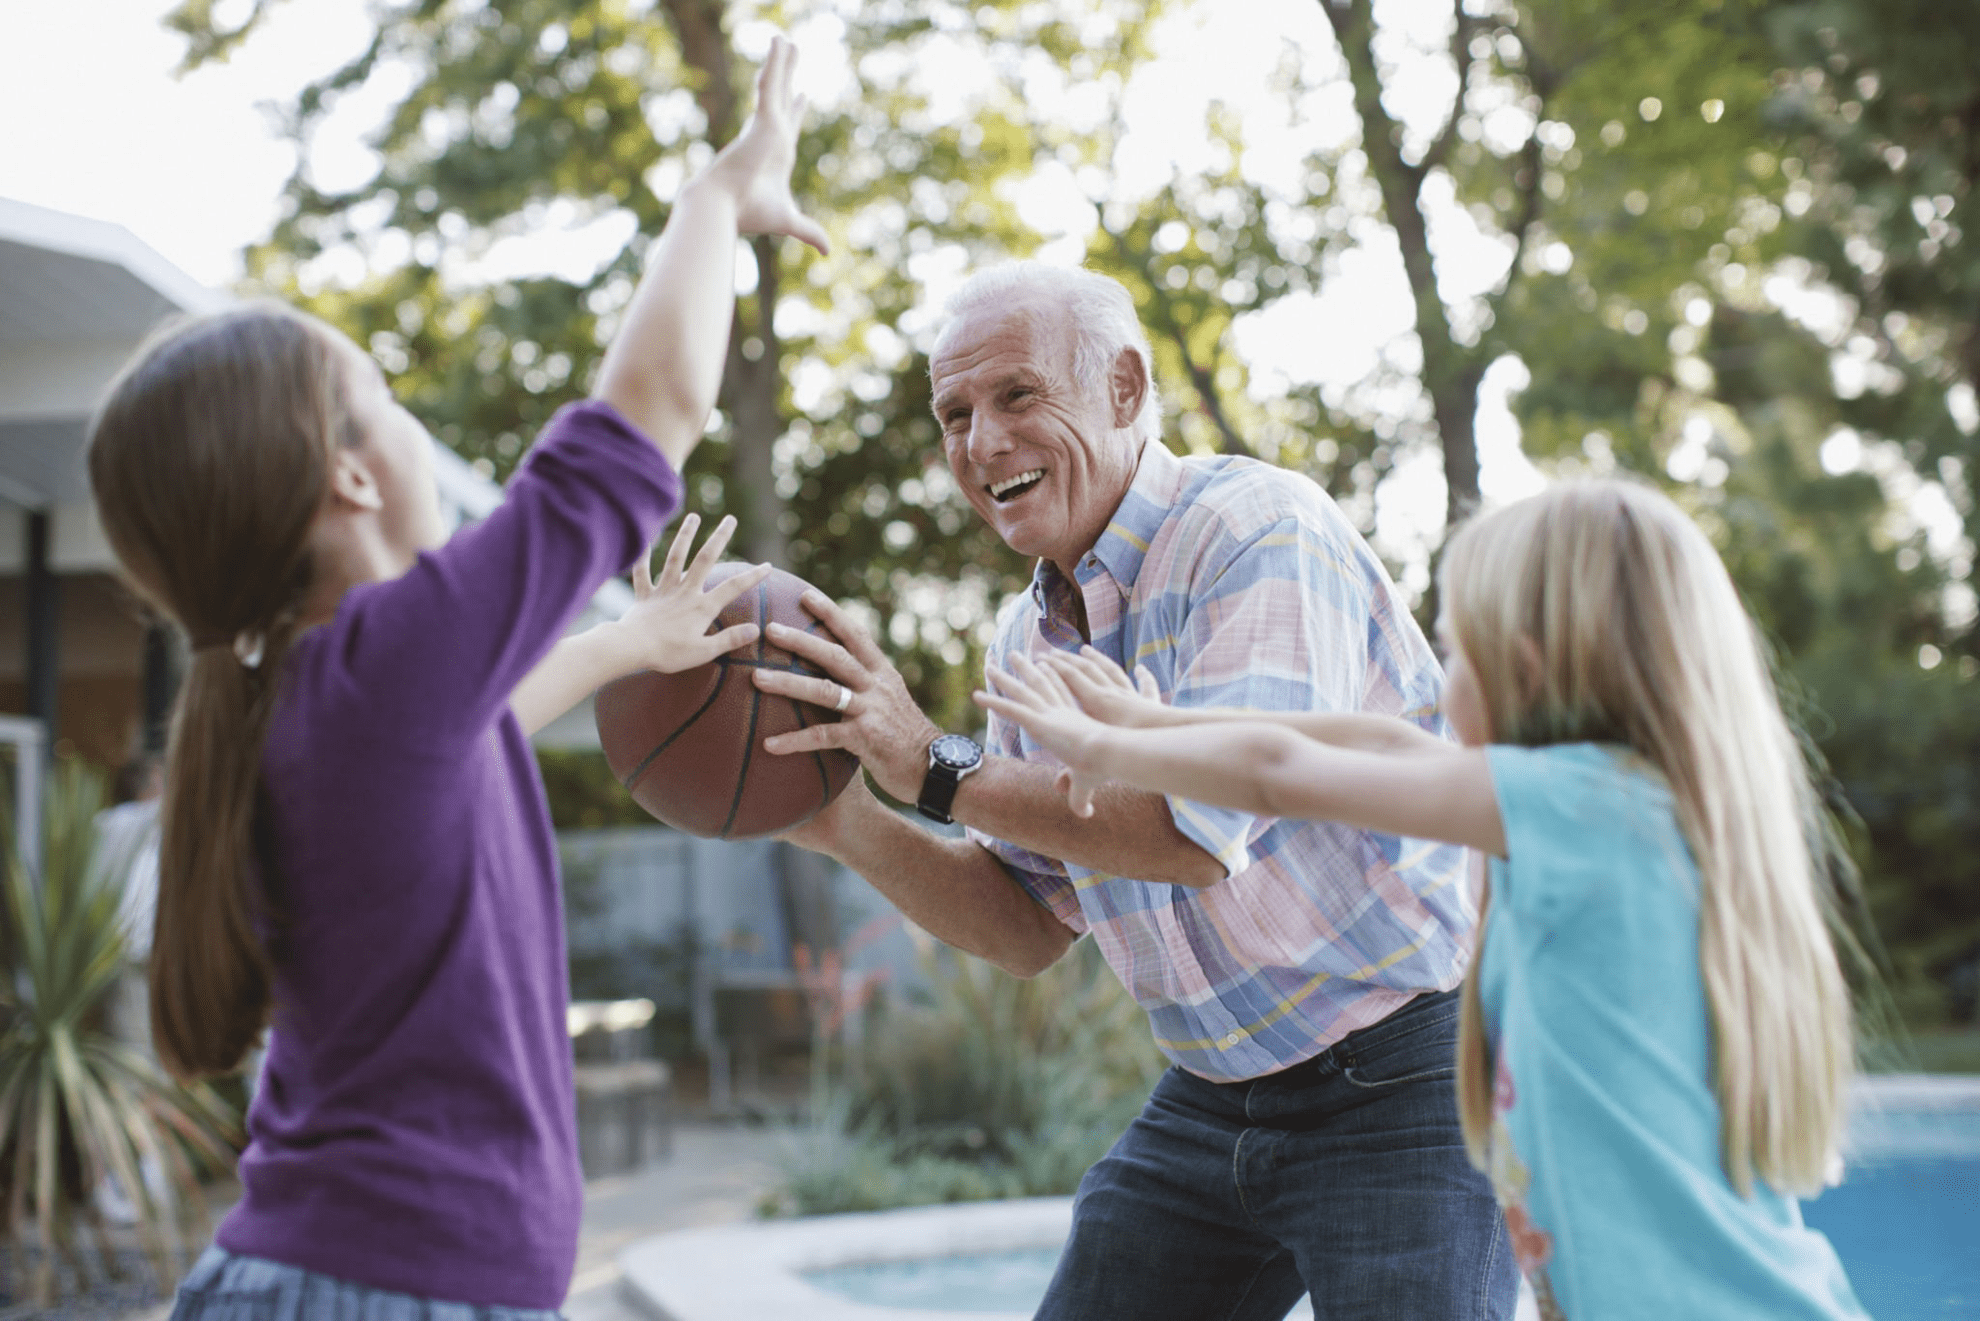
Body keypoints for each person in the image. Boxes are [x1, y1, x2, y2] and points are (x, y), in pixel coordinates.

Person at [83, 38, 824, 1318]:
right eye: (385, 393)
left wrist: (623, 649)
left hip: (310, 1272)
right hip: (396, 1289)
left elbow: (479, 734)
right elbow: (648, 405)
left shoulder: (299, 704)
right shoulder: (385, 661)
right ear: (353, 474)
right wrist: (718, 196)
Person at [755, 262, 1516, 1319]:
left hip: (1404, 1079)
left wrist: (932, 762)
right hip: (1213, 1095)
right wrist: (842, 821)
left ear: (1122, 388)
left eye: (1016, 395)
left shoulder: (1256, 532)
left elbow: (1196, 834)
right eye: (955, 413)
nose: (980, 444)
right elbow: (1024, 922)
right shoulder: (1029, 635)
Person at [978, 478, 1871, 1321]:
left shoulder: (1589, 808)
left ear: (1525, 668)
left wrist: (1108, 745)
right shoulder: (1589, 812)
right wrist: (1148, 725)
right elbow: (1375, 740)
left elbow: (1285, 772)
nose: (1439, 684)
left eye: (1454, 651)